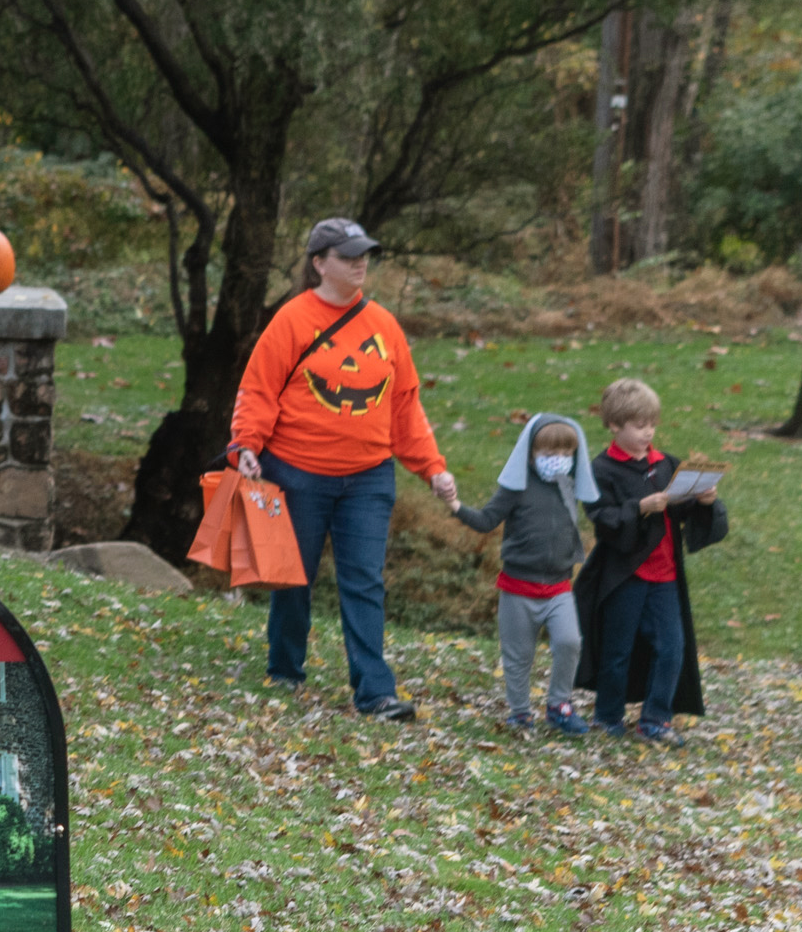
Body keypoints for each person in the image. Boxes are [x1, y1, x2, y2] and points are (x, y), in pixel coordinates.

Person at [225, 219, 456, 721]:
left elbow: (405, 407)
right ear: (319, 263)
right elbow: (259, 389)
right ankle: (285, 667)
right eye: (348, 254)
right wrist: (246, 445)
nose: (360, 262)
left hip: (369, 478)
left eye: (364, 253)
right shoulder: (290, 320)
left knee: (364, 581)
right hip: (297, 473)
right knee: (294, 579)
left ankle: (375, 693)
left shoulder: (385, 327)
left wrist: (432, 468)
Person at [574, 377, 728, 743]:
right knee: (617, 650)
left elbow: (689, 511)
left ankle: (656, 719)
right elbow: (602, 518)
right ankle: (608, 716)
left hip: (666, 576)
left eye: (652, 424)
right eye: (639, 426)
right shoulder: (601, 470)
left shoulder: (666, 465)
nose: (648, 433)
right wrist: (638, 508)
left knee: (672, 648)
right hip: (624, 576)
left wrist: (706, 501)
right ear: (614, 425)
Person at [447, 414, 597, 735]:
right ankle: (520, 712)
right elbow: (487, 520)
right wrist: (456, 506)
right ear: (530, 454)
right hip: (518, 588)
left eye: (565, 454)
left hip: (558, 587)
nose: (557, 461)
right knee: (518, 655)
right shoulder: (516, 488)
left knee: (570, 641)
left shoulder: (568, 486)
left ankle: (559, 705)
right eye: (548, 454)